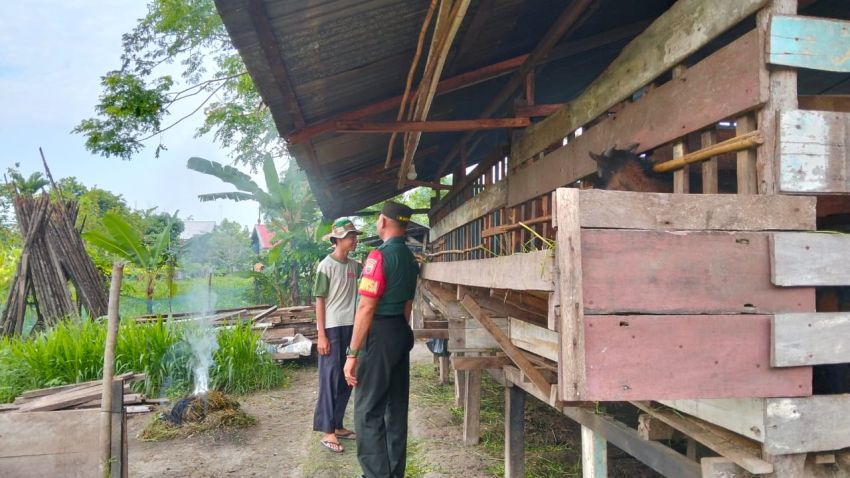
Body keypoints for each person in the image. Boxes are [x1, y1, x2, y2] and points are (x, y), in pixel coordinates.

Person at [344, 201, 419, 478]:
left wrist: (352, 354)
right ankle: (394, 473)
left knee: (367, 410)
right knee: (395, 409)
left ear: (384, 221)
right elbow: (408, 306)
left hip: (379, 335)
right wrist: (399, 334)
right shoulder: (411, 259)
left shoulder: (378, 256)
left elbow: (366, 307)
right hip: (400, 331)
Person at [313, 218, 363, 453]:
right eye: (350, 236)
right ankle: (327, 430)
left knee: (348, 376)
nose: (354, 240)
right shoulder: (325, 266)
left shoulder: (355, 266)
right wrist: (321, 335)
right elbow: (319, 302)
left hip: (352, 327)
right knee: (330, 379)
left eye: (355, 235)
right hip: (332, 328)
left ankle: (338, 424)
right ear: (337, 239)